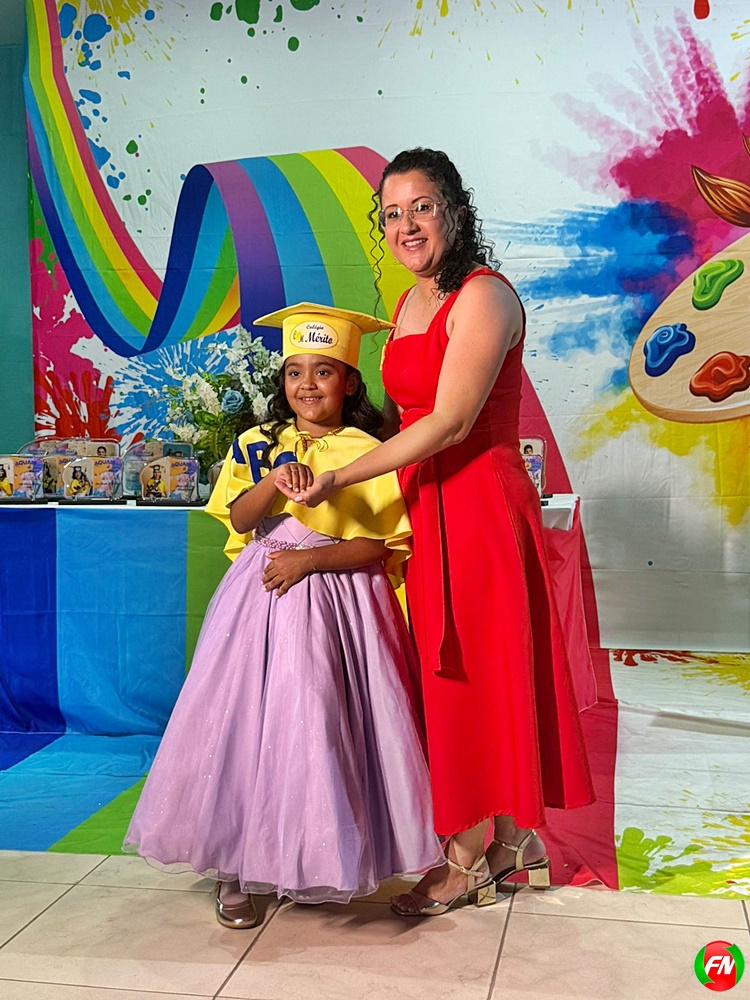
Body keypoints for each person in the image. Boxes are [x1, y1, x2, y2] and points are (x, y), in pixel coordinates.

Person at [281, 149, 595, 916]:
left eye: (421, 207)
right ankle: (501, 838)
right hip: (425, 505)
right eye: (392, 214)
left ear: (454, 209)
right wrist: (325, 449)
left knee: (477, 678)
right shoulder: (411, 301)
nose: (407, 225)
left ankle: (466, 860)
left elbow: (450, 422)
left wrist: (341, 477)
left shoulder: (484, 297)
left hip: (480, 506)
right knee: (444, 676)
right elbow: (402, 418)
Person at [124, 303, 443, 929]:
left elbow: (380, 546)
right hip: (259, 603)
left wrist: (310, 561)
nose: (307, 385)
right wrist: (273, 481)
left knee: (319, 724)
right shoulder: (255, 442)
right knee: (244, 723)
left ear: (349, 382)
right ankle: (233, 867)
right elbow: (242, 519)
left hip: (339, 605)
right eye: (295, 372)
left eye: (324, 372)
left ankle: (310, 854)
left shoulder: (369, 452)